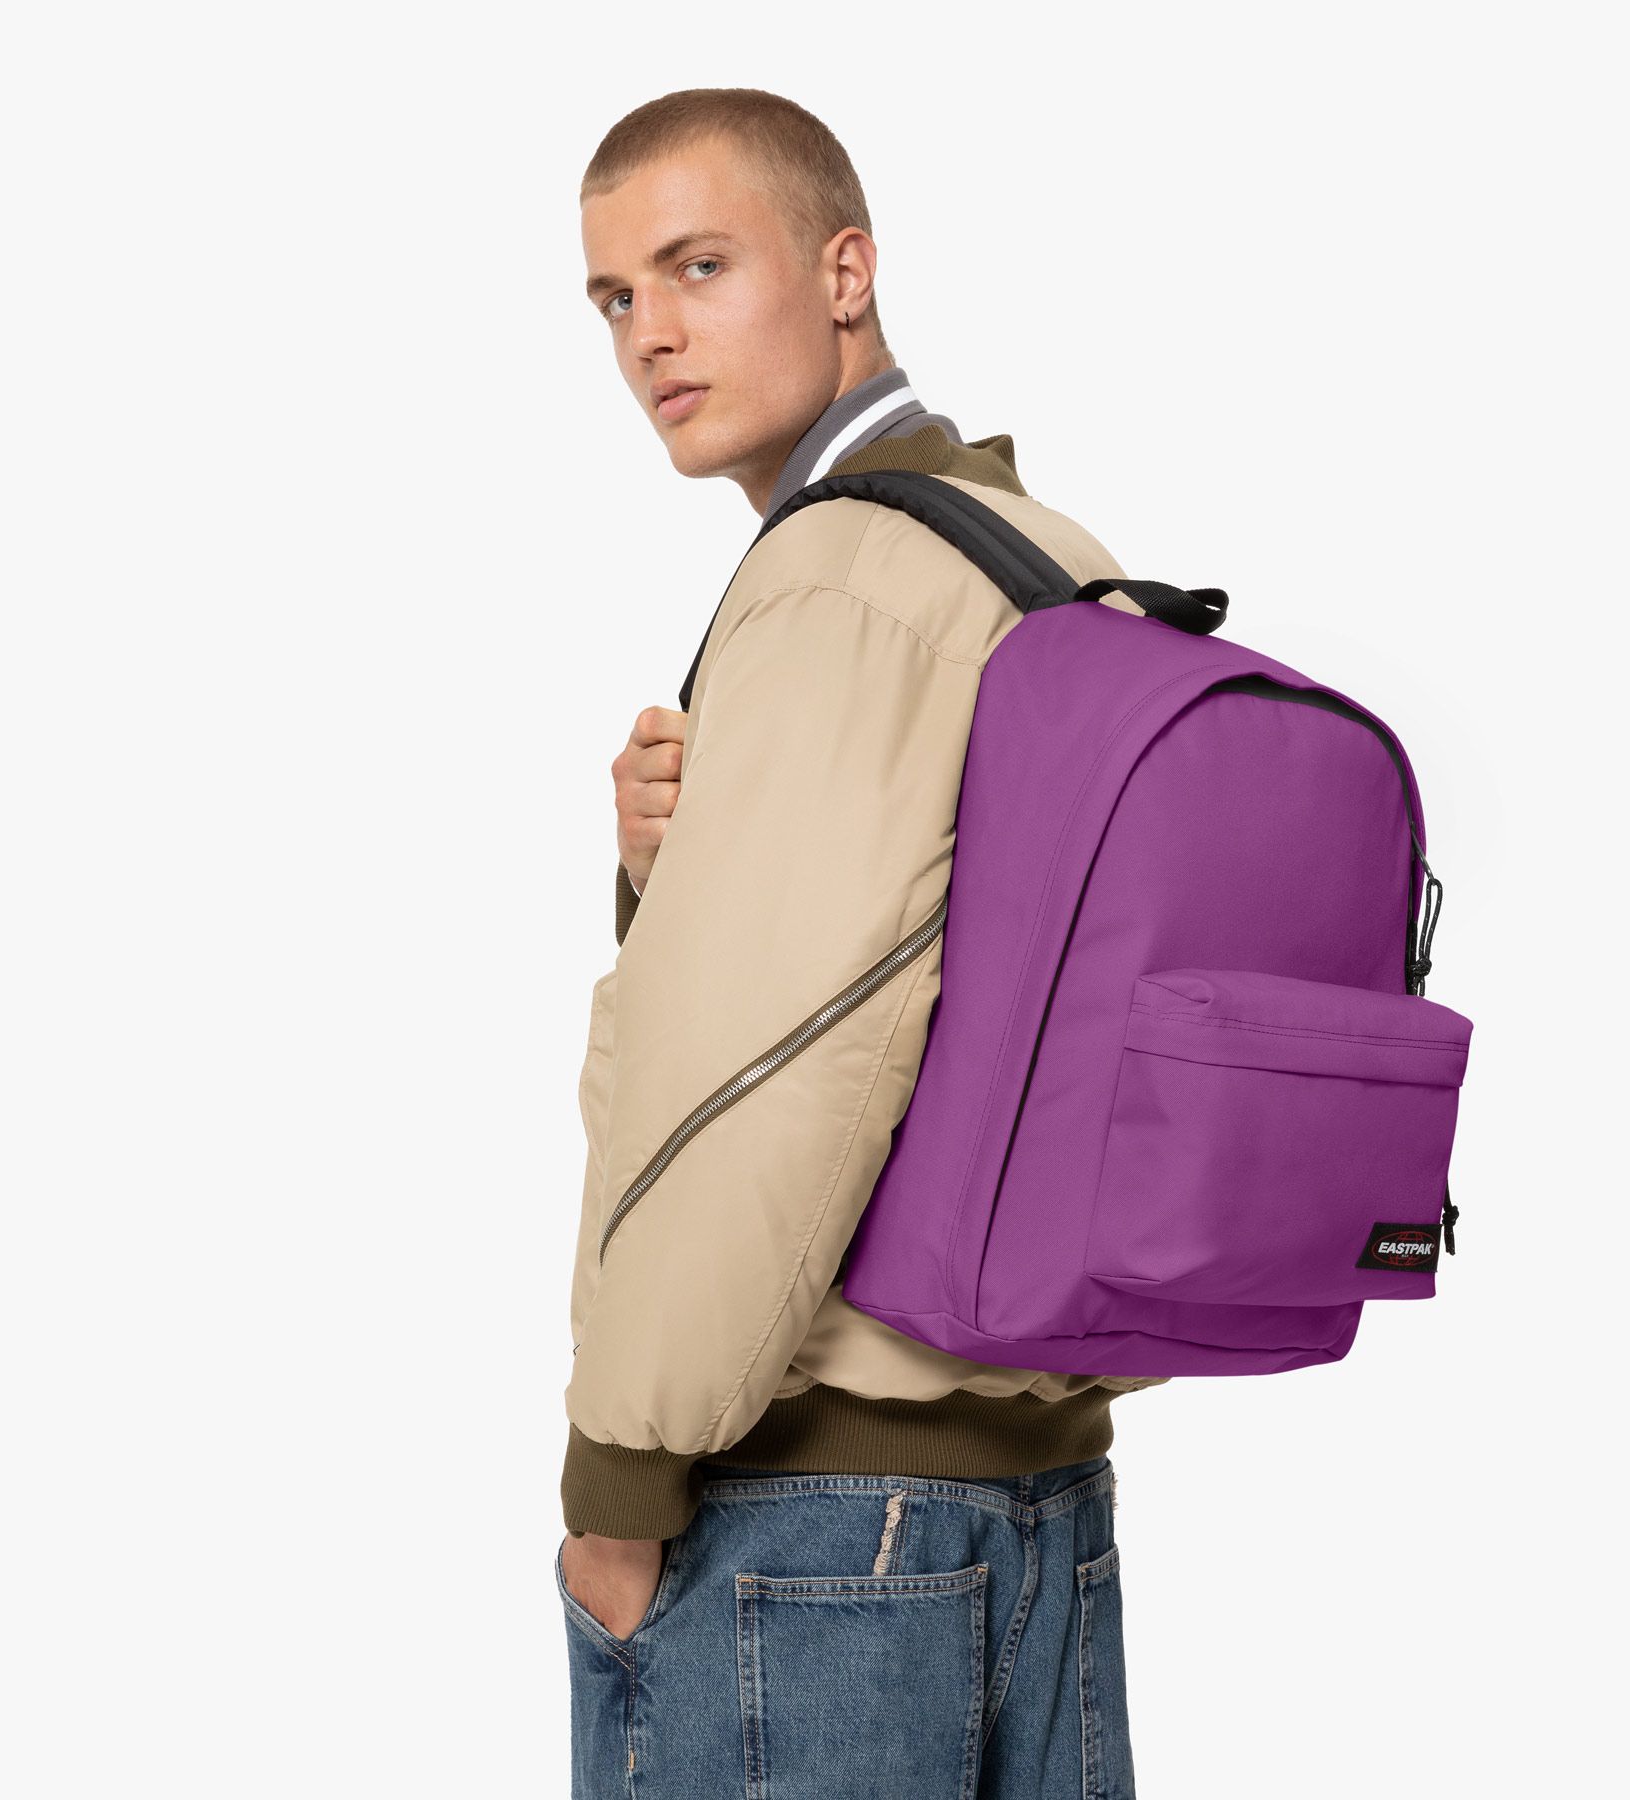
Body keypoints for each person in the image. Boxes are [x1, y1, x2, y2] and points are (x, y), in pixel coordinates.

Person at [559, 86, 1155, 1798]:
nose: (651, 334)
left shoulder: (838, 580)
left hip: (818, 1526)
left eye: (698, 266)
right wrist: (664, 879)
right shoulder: (1049, 553)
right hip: (1040, 1501)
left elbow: (758, 1080)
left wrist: (619, 1491)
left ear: (845, 270)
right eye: (614, 297)